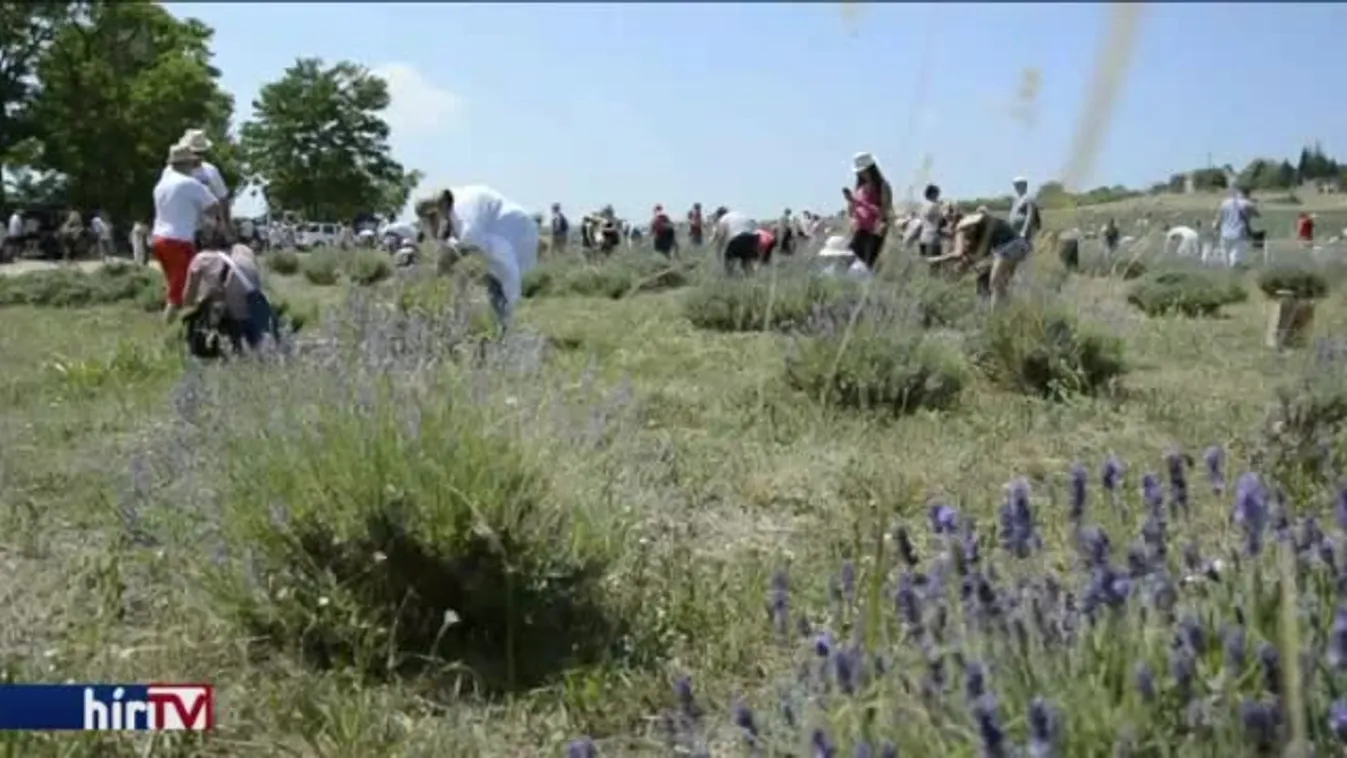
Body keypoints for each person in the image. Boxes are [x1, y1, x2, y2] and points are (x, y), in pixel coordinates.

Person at [415, 185, 539, 330]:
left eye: (431, 219)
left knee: (502, 286)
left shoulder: (462, 212)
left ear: (436, 211)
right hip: (510, 231)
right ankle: (507, 328)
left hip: (512, 234)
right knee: (498, 286)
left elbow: (469, 240)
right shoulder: (457, 202)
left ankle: (508, 332)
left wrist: (445, 264)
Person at [180, 228, 277, 356]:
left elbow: (187, 299)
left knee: (205, 312)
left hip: (233, 321)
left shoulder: (202, 258)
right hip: (256, 314)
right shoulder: (244, 253)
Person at [153, 143, 221, 322]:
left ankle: (186, 320)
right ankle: (171, 329)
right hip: (179, 241)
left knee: (175, 286)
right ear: (186, 165)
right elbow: (214, 206)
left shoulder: (161, 185)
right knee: (184, 289)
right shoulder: (190, 184)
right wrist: (208, 222)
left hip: (159, 239)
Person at [927, 210, 1031, 308]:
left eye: (947, 226)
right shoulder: (975, 224)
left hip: (1008, 247)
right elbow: (977, 255)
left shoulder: (961, 226)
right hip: (1021, 244)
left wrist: (936, 259)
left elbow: (958, 253)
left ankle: (996, 319)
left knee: (995, 284)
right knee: (1000, 285)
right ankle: (1007, 311)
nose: (948, 230)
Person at [846, 152, 893, 271]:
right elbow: (852, 211)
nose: (860, 173)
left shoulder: (883, 186)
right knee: (851, 262)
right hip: (859, 230)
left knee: (865, 265)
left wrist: (860, 203)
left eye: (862, 170)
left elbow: (884, 211)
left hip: (875, 231)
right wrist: (851, 204)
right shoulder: (859, 187)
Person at [709, 206, 759, 275]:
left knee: (729, 260)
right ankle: (751, 277)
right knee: (746, 260)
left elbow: (720, 238)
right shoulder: (737, 214)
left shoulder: (723, 219)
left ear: (719, 215)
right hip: (752, 238)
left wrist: (718, 254)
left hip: (738, 237)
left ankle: (730, 277)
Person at [1214, 186, 1257, 267]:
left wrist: (1216, 227)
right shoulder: (1247, 203)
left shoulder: (1224, 203)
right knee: (1236, 259)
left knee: (1225, 257)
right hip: (1239, 234)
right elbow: (1257, 214)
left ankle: (1227, 275)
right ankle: (1234, 274)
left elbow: (1218, 218)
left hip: (1225, 233)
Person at [1008, 176, 1041, 246]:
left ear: (1024, 185)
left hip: (1024, 231)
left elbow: (1030, 215)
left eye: (1018, 185)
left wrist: (1024, 231)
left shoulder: (1029, 198)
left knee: (1024, 249)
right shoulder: (1016, 199)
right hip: (1015, 230)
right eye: (1015, 185)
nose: (1016, 187)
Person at [917, 184, 943, 258]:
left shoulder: (922, 206)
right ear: (932, 194)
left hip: (923, 237)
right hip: (933, 237)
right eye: (937, 194)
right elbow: (940, 221)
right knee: (934, 263)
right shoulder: (935, 205)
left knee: (923, 261)